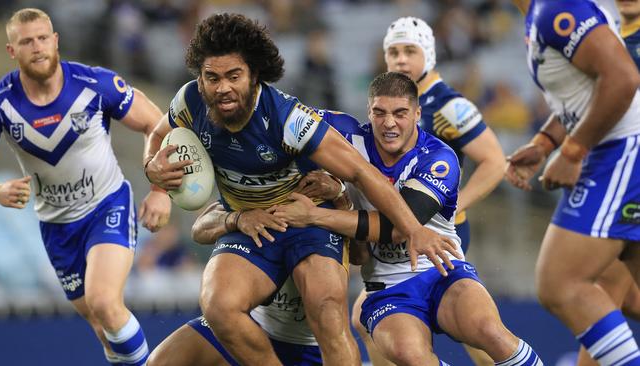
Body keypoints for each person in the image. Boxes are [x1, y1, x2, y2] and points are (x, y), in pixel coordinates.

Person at [143, 13, 460, 365]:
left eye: (234, 76)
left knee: (326, 309)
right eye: (212, 78)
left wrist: (414, 228)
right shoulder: (189, 103)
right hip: (254, 224)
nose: (223, 88)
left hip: (305, 222)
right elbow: (158, 137)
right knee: (218, 307)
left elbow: (361, 172)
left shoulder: (287, 119)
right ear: (199, 79)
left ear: (254, 76)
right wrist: (153, 173)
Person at [272, 71, 542, 366]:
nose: (389, 123)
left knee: (490, 332)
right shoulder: (348, 135)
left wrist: (314, 216)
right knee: (410, 356)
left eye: (400, 113)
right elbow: (280, 114)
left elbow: (397, 228)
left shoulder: (439, 159)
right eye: (380, 113)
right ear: (368, 111)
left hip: (443, 272)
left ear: (417, 114)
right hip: (387, 287)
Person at [0, 8, 171, 366]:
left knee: (105, 301)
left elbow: (158, 123)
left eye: (43, 38)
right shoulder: (0, 103)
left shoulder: (95, 84)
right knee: (102, 327)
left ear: (56, 41)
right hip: (56, 226)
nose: (37, 47)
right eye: (27, 41)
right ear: (12, 51)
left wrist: (160, 190)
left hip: (107, 206)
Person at [351, 16, 506, 366]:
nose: (401, 60)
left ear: (429, 55)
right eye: (393, 52)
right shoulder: (393, 103)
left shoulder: (449, 105)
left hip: (431, 228)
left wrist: (452, 206)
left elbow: (496, 162)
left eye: (410, 51)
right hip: (401, 219)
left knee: (475, 332)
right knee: (364, 317)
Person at [506, 0, 640, 364]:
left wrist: (573, 151)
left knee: (561, 282)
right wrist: (545, 143)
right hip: (617, 149)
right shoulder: (541, 13)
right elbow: (586, 93)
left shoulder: (557, 8)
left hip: (619, 151)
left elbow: (623, 79)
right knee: (622, 295)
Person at [149, 170, 354, 366]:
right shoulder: (258, 196)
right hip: (254, 328)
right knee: (161, 361)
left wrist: (342, 199)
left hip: (311, 344)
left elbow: (360, 255)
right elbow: (200, 228)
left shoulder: (330, 199)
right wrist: (236, 219)